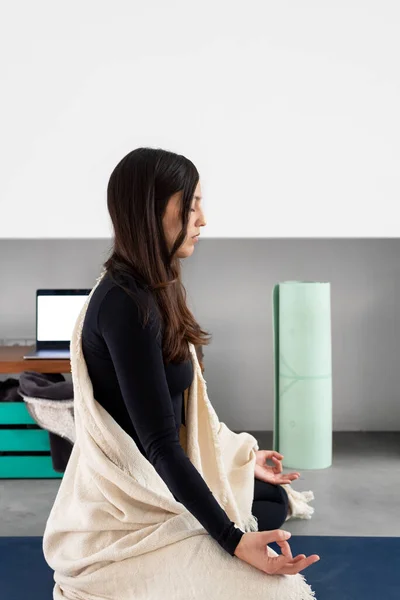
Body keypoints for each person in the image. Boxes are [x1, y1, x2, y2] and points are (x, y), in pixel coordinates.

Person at [81, 147, 320, 577]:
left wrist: (237, 458)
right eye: (190, 206)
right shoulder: (126, 304)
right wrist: (234, 541)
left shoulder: (152, 286)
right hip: (140, 488)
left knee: (271, 501)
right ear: (152, 212)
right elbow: (158, 443)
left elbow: (179, 414)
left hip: (162, 467)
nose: (202, 220)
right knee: (259, 517)